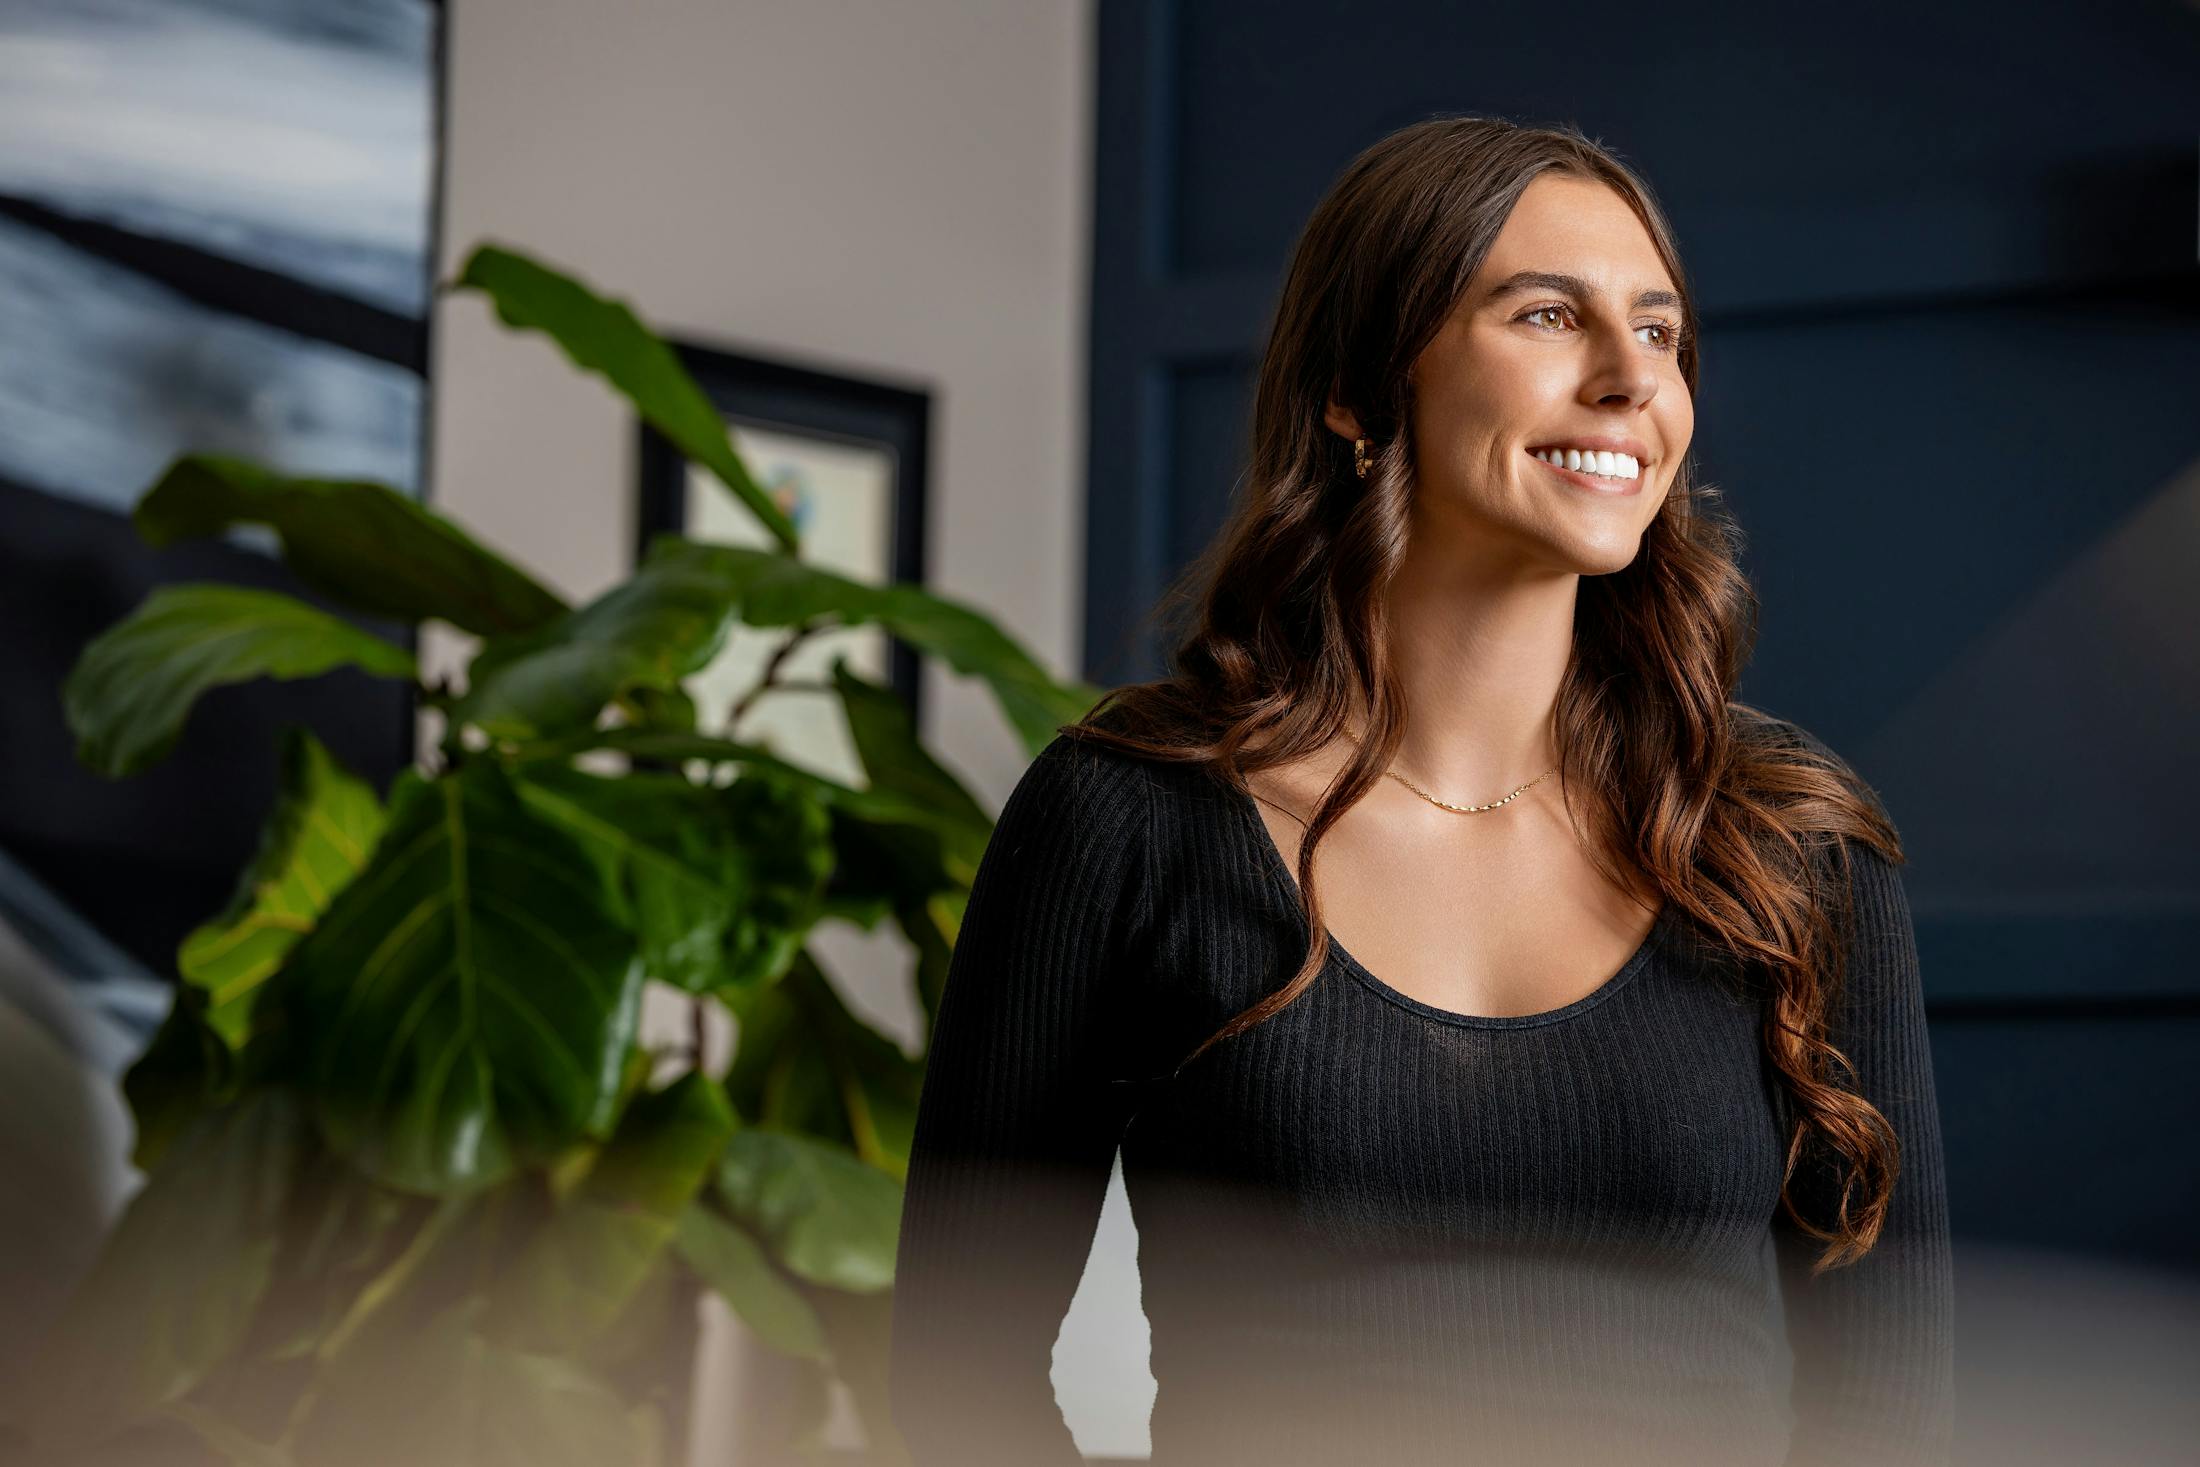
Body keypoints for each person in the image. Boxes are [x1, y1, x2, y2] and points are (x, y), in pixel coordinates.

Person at [886, 113, 1953, 1467]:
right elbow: (952, 1371)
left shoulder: (1787, 844)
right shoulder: (1128, 816)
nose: (1634, 379)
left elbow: (1893, 1413)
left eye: (1663, 331)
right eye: (1548, 316)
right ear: (1355, 388)